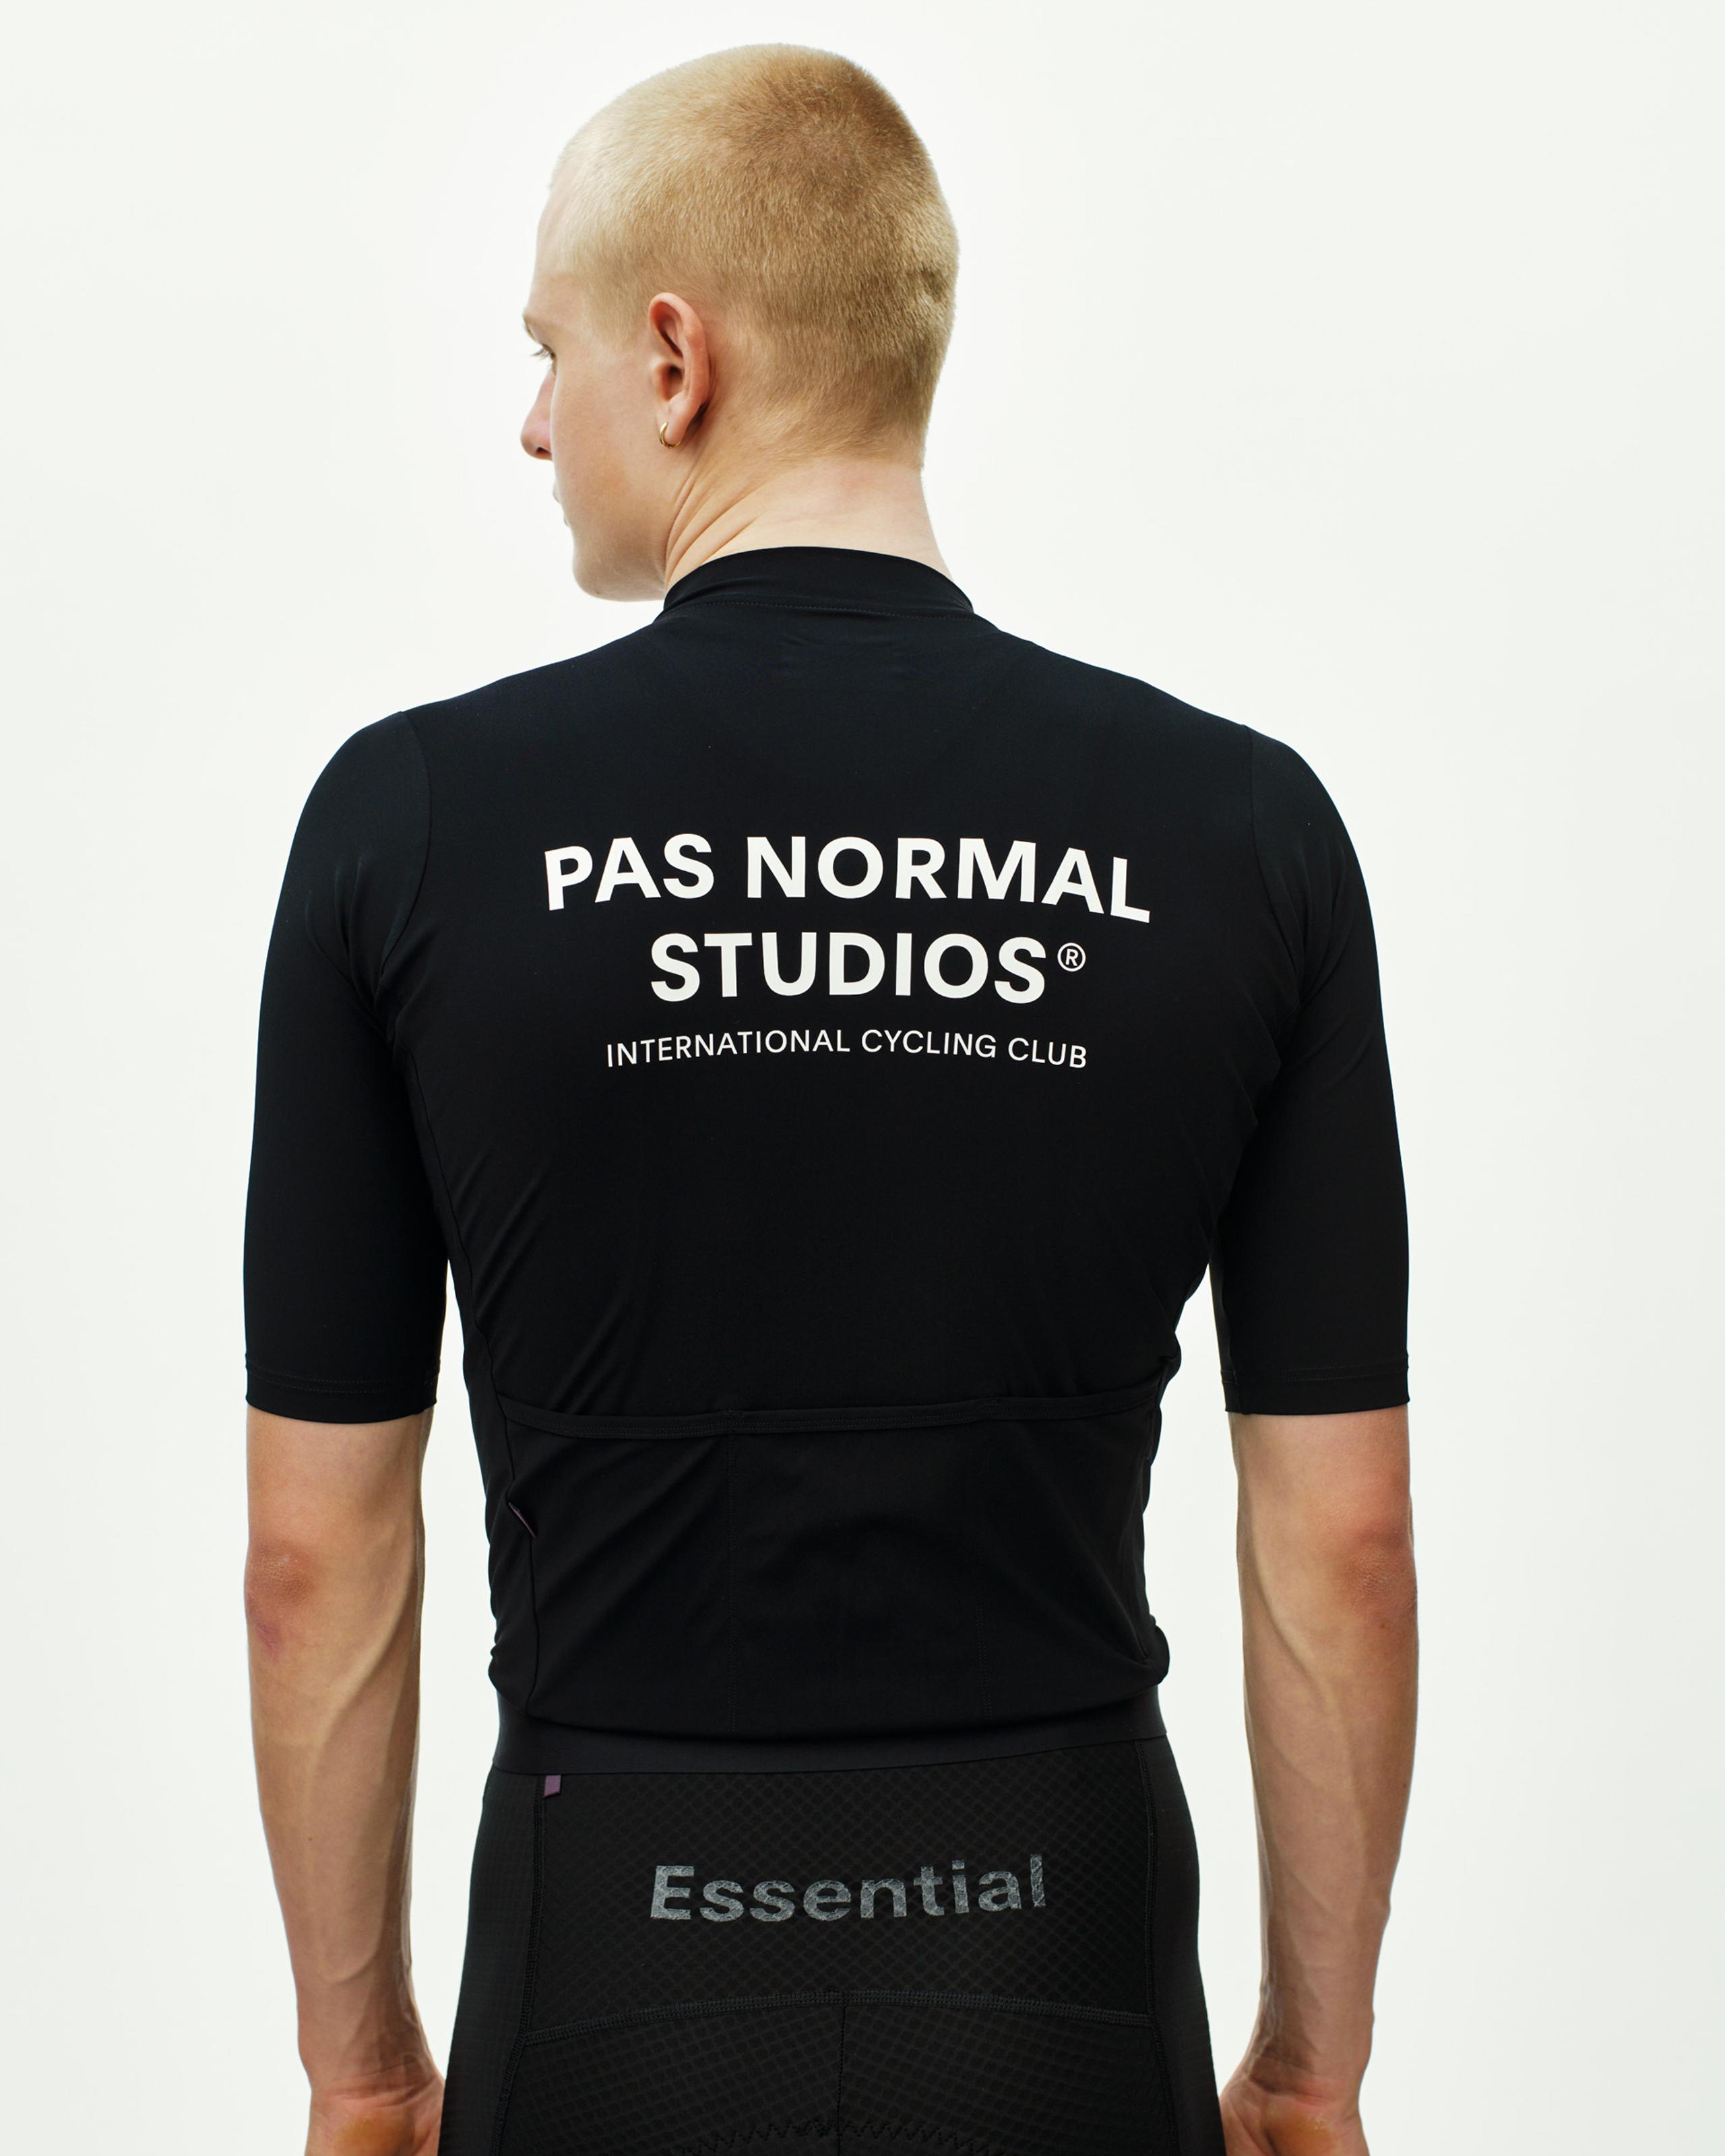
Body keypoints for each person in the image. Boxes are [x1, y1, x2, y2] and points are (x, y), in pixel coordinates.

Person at [243, 44, 1416, 2156]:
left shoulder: (409, 824)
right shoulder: (1239, 831)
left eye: (549, 352)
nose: (537, 421)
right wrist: (1311, 2070)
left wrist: (363, 2075)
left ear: (673, 356)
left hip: (610, 1961)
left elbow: (314, 1557)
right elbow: (1342, 1538)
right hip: (1064, 1953)